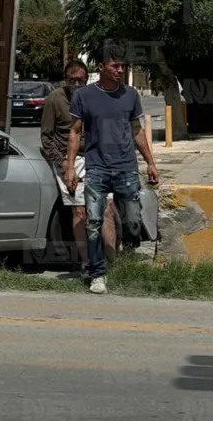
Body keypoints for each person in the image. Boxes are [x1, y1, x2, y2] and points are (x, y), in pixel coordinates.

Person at [65, 43, 159, 295]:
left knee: (133, 221)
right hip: (96, 169)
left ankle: (126, 262)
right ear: (102, 67)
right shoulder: (84, 96)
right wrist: (70, 167)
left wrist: (150, 162)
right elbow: (74, 132)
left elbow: (137, 131)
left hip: (126, 168)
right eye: (115, 65)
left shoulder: (130, 95)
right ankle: (98, 274)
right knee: (93, 221)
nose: (120, 70)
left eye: (123, 66)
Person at [41, 61, 114, 274]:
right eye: (72, 80)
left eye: (80, 80)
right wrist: (63, 164)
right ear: (65, 81)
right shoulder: (55, 99)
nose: (76, 84)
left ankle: (113, 263)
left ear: (86, 79)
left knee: (107, 209)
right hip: (70, 160)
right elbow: (46, 137)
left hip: (96, 157)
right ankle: (87, 263)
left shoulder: (95, 96)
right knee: (79, 211)